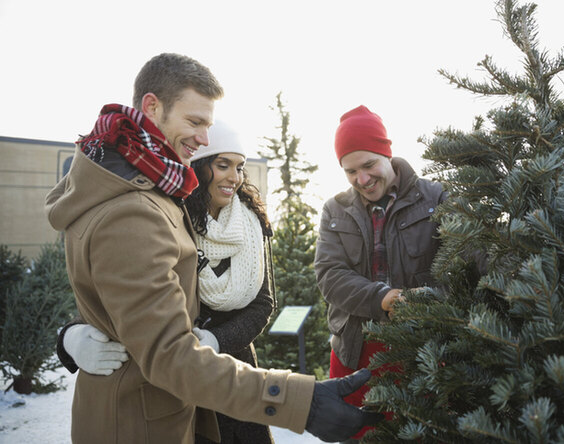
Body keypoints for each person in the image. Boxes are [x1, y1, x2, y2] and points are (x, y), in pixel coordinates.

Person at [45, 53, 382, 444]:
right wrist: (72, 335)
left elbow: (133, 296)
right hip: (146, 413)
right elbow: (160, 340)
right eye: (195, 122)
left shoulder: (152, 189)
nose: (205, 137)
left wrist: (218, 341)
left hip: (197, 393)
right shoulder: (137, 207)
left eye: (208, 125)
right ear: (152, 107)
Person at [58, 120, 278, 444]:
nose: (234, 177)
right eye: (222, 165)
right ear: (201, 166)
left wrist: (217, 340)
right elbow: (129, 295)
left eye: (240, 167)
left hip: (236, 373)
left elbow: (263, 302)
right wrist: (69, 337)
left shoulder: (252, 223)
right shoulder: (171, 215)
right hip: (175, 380)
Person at [314, 105, 447, 443]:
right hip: (354, 353)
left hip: (422, 353)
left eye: (369, 165)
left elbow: (460, 267)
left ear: (387, 154)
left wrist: (427, 303)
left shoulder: (436, 198)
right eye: (350, 171)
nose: (362, 179)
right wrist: (383, 299)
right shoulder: (335, 210)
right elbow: (330, 275)